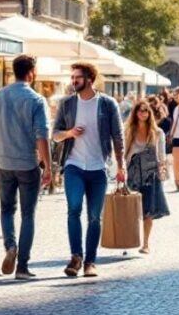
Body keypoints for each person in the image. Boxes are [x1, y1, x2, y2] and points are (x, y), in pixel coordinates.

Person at [52, 62, 126, 278]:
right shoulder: (67, 104)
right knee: (73, 210)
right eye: (72, 77)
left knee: (94, 217)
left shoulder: (107, 104)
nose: (74, 81)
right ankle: (76, 257)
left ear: (90, 80)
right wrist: (69, 133)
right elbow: (55, 134)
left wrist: (121, 166)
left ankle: (90, 262)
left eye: (78, 77)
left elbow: (118, 136)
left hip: (98, 167)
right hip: (74, 165)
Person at [0, 54, 52, 280]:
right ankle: (22, 266)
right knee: (28, 214)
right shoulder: (36, 100)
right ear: (31, 72)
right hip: (27, 163)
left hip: (4, 163)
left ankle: (10, 246)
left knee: (6, 210)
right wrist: (48, 166)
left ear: (14, 71)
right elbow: (42, 136)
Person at [123, 99, 169, 255]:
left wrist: (163, 170)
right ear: (135, 113)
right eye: (140, 110)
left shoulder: (157, 133)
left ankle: (146, 243)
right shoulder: (129, 131)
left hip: (151, 174)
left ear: (150, 113)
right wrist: (121, 172)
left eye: (146, 110)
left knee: (148, 210)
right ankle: (129, 241)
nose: (143, 113)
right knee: (131, 209)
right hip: (132, 173)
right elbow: (124, 154)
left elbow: (162, 156)